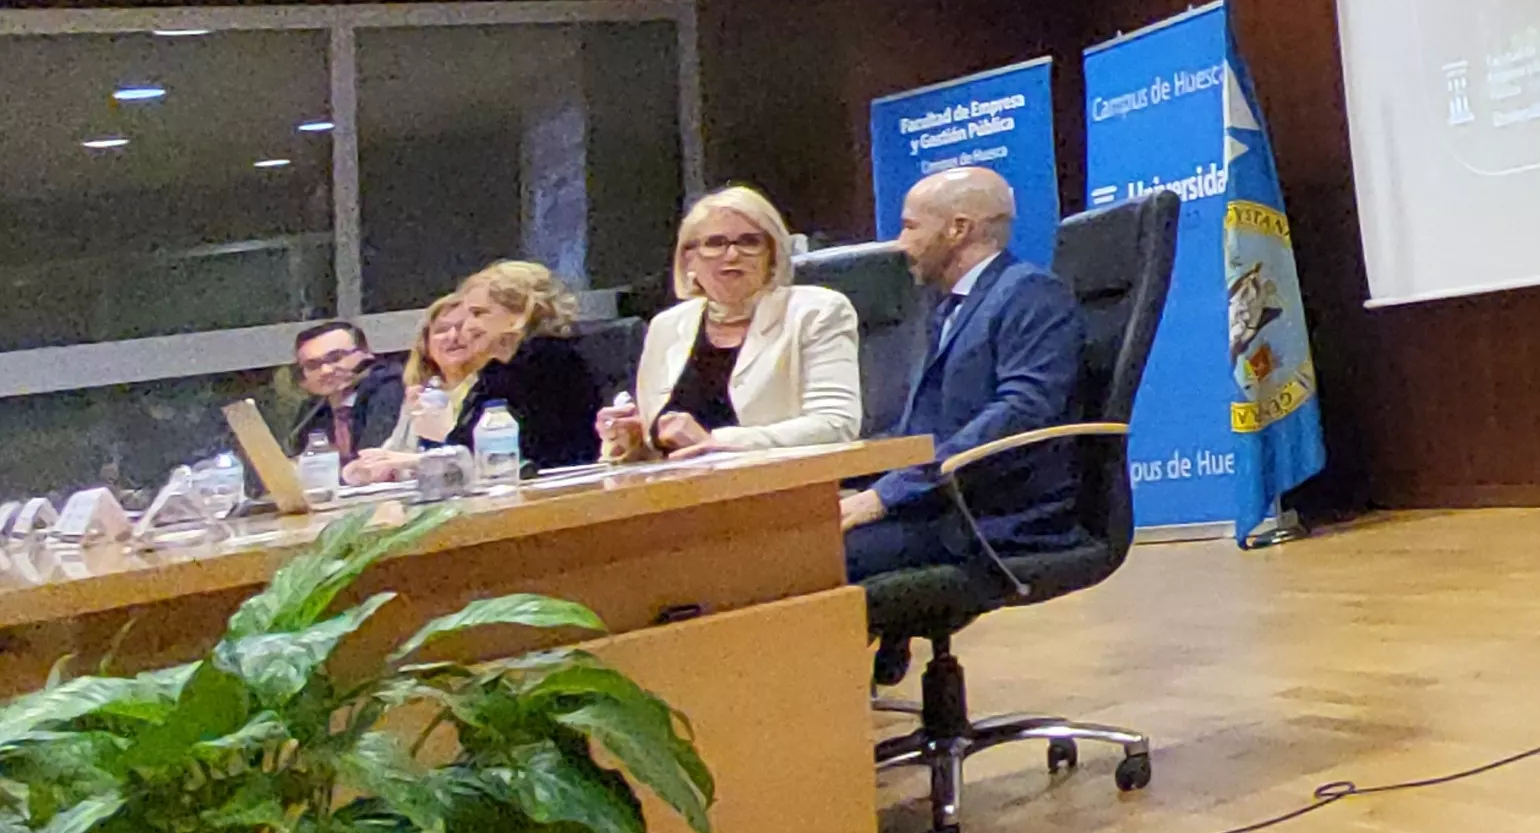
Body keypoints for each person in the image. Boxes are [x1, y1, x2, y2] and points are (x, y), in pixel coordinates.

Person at [841, 167, 1083, 586]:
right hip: (942, 503)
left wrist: (885, 495)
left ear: (958, 229)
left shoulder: (1029, 294)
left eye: (910, 226)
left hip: (996, 517)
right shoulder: (947, 307)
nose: (900, 244)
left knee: (811, 562)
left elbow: (1020, 413)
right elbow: (924, 428)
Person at [601, 185, 863, 461]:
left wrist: (717, 442)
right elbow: (656, 446)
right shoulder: (666, 326)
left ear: (772, 255)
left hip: (779, 489)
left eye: (749, 242)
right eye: (715, 243)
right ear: (689, 258)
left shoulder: (816, 311)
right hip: (678, 494)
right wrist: (629, 440)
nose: (732, 255)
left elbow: (836, 425)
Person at [340, 262, 606, 482]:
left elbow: (513, 458)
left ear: (521, 314)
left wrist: (418, 458)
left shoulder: (547, 362)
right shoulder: (496, 370)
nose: (466, 327)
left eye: (478, 314)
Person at [287, 318, 405, 458]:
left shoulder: (391, 387)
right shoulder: (313, 409)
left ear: (365, 353)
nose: (326, 370)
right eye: (313, 365)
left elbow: (370, 458)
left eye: (336, 358)